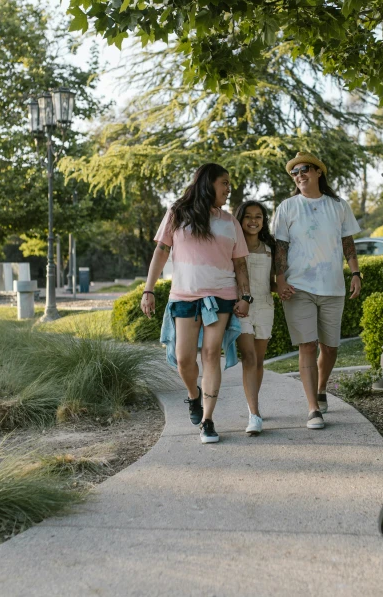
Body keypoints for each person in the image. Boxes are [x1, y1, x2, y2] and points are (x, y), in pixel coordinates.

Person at [140, 163, 252, 444]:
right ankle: (194, 395)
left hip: (221, 296)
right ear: (208, 183)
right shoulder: (177, 213)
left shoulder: (230, 221)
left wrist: (245, 296)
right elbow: (161, 251)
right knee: (183, 358)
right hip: (184, 296)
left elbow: (240, 264)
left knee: (212, 354)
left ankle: (208, 420)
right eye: (224, 183)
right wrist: (148, 289)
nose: (229, 189)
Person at [273, 152, 362, 430]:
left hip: (333, 286)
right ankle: (313, 408)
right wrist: (280, 279)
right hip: (298, 287)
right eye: (294, 172)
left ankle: (321, 388)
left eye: (304, 170)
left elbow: (347, 242)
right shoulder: (287, 207)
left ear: (318, 172)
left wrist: (355, 272)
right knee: (307, 345)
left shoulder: (338, 205)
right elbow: (280, 248)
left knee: (331, 347)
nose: (299, 175)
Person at [234, 200, 277, 434]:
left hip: (265, 307)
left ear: (264, 220)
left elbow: (271, 282)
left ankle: (254, 404)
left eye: (258, 216)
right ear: (239, 220)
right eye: (248, 216)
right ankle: (254, 413)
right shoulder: (232, 246)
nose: (253, 221)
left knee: (259, 361)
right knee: (249, 358)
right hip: (241, 308)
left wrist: (281, 288)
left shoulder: (270, 248)